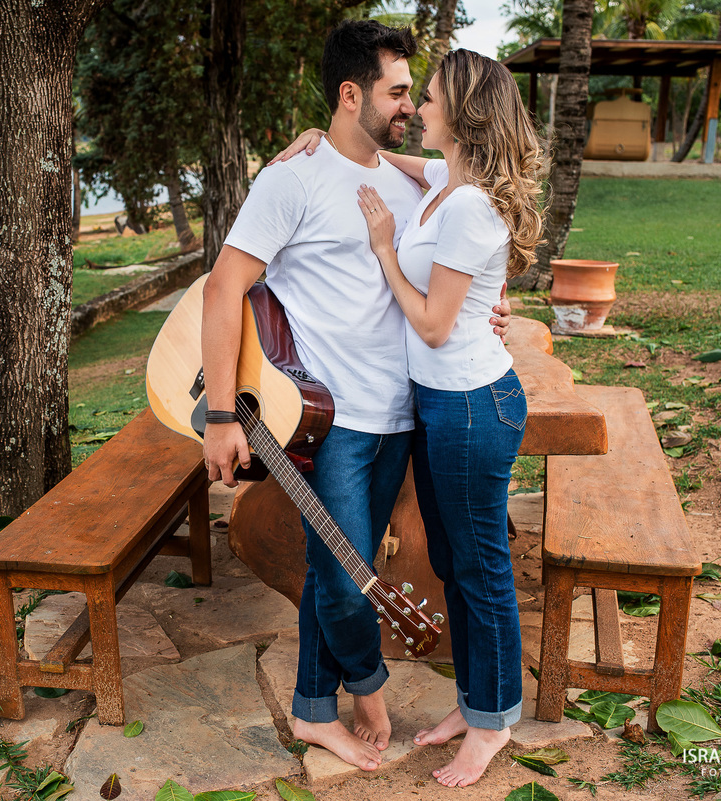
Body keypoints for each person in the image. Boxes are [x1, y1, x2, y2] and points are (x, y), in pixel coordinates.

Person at [202, 22, 510, 773]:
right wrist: (217, 412)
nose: (410, 104)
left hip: (410, 410)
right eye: (397, 91)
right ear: (351, 95)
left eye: (415, 94)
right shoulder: (291, 179)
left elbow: (461, 256)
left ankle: (313, 713)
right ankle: (365, 689)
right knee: (342, 581)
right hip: (333, 417)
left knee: (337, 562)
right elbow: (223, 286)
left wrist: (489, 308)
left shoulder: (416, 179)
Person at [281, 49, 547, 787]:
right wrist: (318, 138)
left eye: (425, 99)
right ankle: (474, 700)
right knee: (455, 566)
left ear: (459, 114)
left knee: (481, 567)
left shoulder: (465, 205)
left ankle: (491, 723)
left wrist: (385, 252)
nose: (415, 110)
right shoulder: (444, 181)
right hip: (443, 406)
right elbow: (393, 158)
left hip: (470, 407)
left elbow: (432, 325)